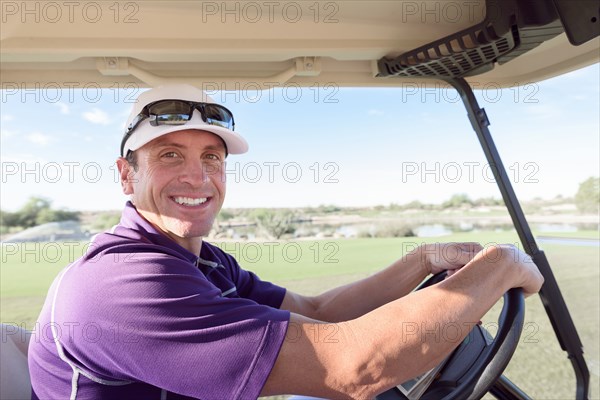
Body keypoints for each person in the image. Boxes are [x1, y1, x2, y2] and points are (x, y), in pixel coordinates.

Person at [28, 84, 544, 400]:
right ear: (126, 175)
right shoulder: (123, 285)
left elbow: (320, 311)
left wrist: (423, 258)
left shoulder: (203, 264)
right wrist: (502, 264)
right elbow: (353, 369)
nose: (198, 177)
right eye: (169, 156)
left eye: (212, 157)